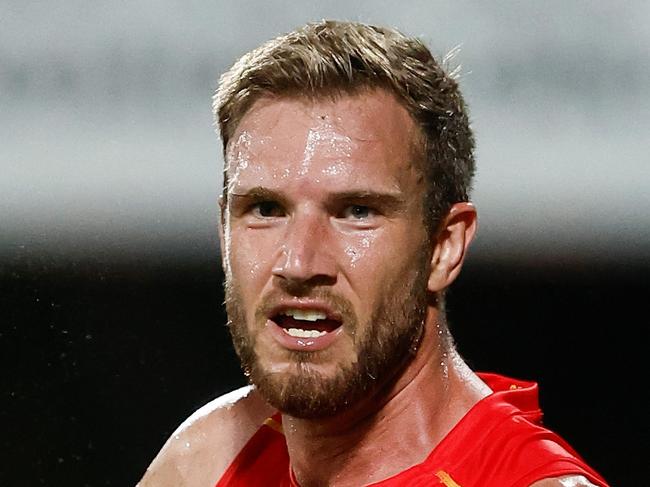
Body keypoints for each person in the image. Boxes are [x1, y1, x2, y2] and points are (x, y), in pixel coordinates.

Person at [139, 20, 609, 487]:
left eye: (357, 212)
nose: (299, 263)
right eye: (266, 209)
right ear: (223, 232)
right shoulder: (210, 458)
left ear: (444, 247)